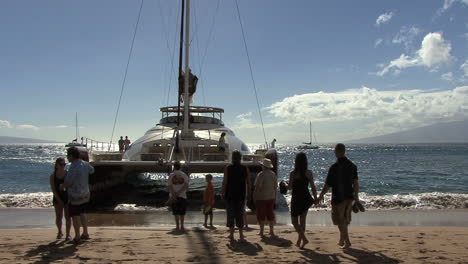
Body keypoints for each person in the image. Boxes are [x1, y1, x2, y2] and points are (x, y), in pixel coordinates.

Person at [318, 143, 359, 249]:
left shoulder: (334, 167)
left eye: (335, 150)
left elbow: (327, 185)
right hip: (349, 196)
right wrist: (356, 196)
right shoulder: (352, 166)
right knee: (345, 219)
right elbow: (355, 183)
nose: (334, 152)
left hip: (338, 197)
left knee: (340, 221)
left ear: (338, 152)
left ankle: (347, 242)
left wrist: (321, 194)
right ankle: (341, 240)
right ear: (344, 151)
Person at [61, 147, 94, 244]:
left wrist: (62, 186)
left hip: (75, 195)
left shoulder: (73, 166)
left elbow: (69, 182)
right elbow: (92, 170)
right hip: (85, 193)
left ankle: (77, 237)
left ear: (71, 156)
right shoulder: (85, 164)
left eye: (68, 156)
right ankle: (85, 233)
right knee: (82, 213)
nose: (67, 157)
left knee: (75, 216)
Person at [287, 152, 318, 249]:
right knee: (302, 220)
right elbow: (313, 186)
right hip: (306, 198)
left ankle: (303, 239)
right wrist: (316, 198)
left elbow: (290, 188)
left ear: (296, 162)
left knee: (294, 221)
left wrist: (285, 185)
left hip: (296, 198)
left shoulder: (293, 173)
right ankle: (300, 240)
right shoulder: (308, 173)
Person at [222, 150, 251, 241]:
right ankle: (241, 235)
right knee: (239, 214)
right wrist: (249, 194)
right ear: (240, 158)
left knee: (230, 214)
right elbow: (248, 183)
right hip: (241, 195)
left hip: (230, 194)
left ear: (232, 158)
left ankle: (231, 235)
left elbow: (225, 182)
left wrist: (223, 193)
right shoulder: (244, 168)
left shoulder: (228, 168)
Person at [253, 158, 277, 237]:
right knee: (270, 213)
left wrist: (254, 196)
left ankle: (262, 231)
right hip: (271, 197)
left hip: (261, 197)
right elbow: (275, 186)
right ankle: (271, 231)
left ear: (263, 166)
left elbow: (257, 187)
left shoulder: (261, 174)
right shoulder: (273, 174)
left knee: (261, 214)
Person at [49, 157, 71, 240]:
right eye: (61, 164)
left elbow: (71, 186)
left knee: (68, 217)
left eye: (64, 164)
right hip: (57, 197)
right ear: (57, 165)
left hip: (67, 197)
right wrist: (59, 200)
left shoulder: (67, 174)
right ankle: (59, 232)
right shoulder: (52, 176)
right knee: (59, 216)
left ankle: (68, 234)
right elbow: (53, 189)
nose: (63, 166)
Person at [168, 161, 189, 231]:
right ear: (180, 167)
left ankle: (177, 227)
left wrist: (174, 194)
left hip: (173, 196)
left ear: (174, 167)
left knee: (176, 212)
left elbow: (170, 186)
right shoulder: (184, 175)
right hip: (183, 196)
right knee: (182, 212)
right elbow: (186, 186)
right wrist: (179, 192)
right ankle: (182, 226)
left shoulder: (171, 175)